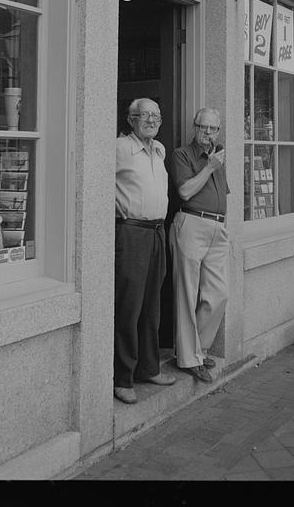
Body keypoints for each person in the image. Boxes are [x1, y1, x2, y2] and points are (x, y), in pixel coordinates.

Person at [113, 98, 176, 404]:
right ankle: (122, 377)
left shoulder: (160, 149)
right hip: (132, 232)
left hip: (157, 232)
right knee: (129, 305)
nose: (151, 120)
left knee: (152, 304)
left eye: (156, 115)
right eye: (144, 115)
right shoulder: (119, 148)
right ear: (131, 119)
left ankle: (148, 367)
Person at [169, 108, 230, 383]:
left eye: (214, 129)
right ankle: (188, 358)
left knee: (218, 294)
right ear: (195, 127)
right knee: (187, 293)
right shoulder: (182, 155)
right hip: (191, 224)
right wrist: (209, 168)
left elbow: (221, 193)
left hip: (218, 228)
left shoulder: (217, 156)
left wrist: (215, 165)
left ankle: (199, 349)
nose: (208, 133)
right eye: (204, 128)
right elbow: (185, 191)